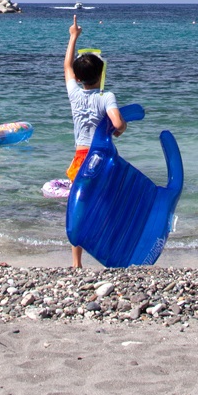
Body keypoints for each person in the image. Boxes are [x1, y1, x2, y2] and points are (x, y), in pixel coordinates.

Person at [63, 16, 124, 269]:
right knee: (108, 204)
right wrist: (120, 129)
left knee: (80, 207)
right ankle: (108, 250)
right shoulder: (106, 96)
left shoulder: (74, 93)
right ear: (102, 74)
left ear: (78, 78)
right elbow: (118, 124)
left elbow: (67, 66)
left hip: (80, 159)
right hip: (103, 159)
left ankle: (77, 263)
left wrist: (73, 36)